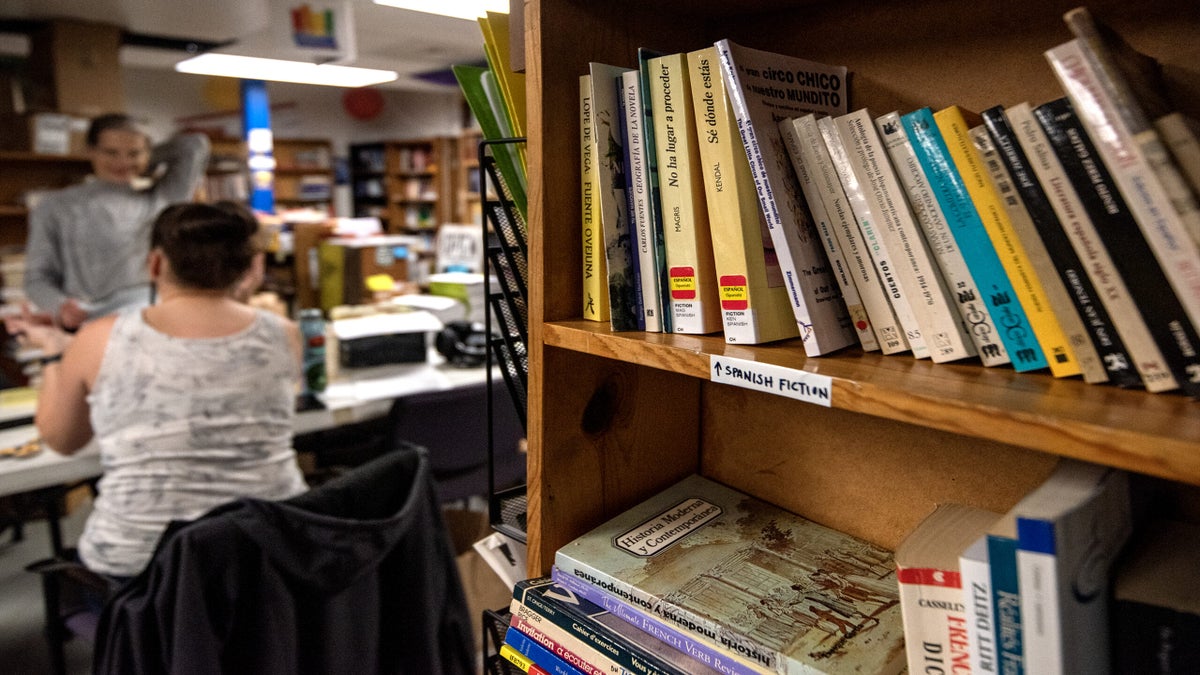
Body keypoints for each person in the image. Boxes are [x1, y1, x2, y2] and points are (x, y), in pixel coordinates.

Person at [7, 201, 308, 579]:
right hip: (270, 555)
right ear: (253, 267)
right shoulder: (284, 333)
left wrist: (54, 355)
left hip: (144, 567)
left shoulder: (98, 338)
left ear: (154, 264)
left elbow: (62, 439)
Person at [24, 114, 211, 330]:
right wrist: (59, 306)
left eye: (133, 153)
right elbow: (36, 277)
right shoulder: (55, 206)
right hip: (91, 323)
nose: (123, 162)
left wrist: (145, 161)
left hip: (152, 320)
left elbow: (195, 145)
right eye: (111, 153)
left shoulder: (162, 199)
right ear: (90, 151)